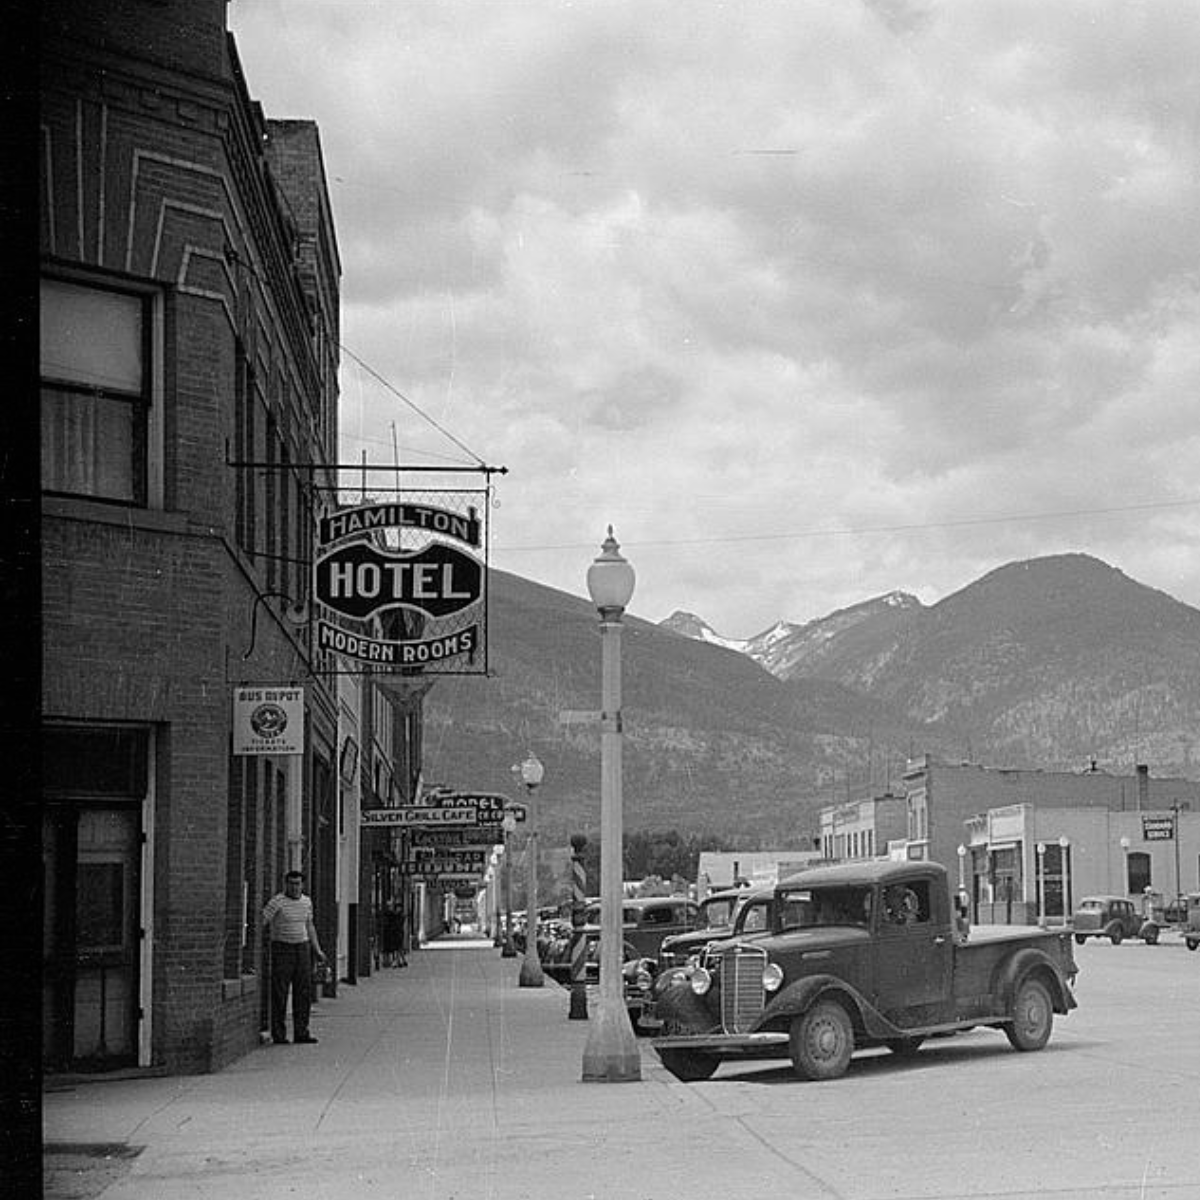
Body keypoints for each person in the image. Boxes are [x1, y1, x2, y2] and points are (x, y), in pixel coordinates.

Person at [263, 870, 326, 1045]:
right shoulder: (277, 902)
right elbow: (263, 920)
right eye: (291, 883)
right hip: (282, 948)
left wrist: (317, 950)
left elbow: (309, 925)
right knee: (280, 992)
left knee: (303, 992)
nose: (294, 887)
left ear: (302, 885)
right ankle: (279, 1034)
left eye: (298, 883)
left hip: (302, 948)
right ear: (286, 884)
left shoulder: (306, 902)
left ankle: (301, 1032)